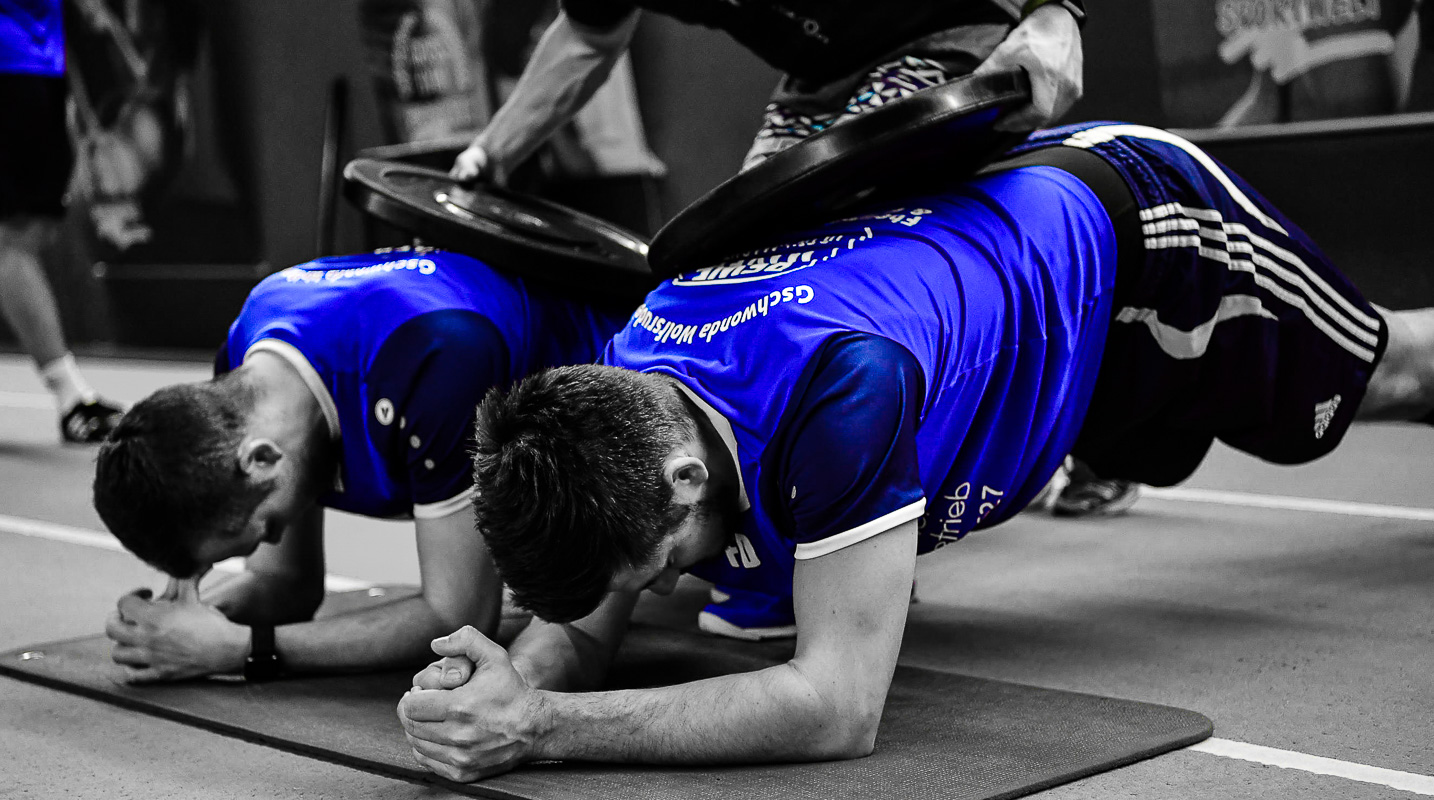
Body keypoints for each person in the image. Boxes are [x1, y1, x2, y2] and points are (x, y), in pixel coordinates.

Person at [395, 121, 1434, 780]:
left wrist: (543, 730)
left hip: (1146, 240)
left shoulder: (844, 390)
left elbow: (836, 707)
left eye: (665, 561)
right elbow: (586, 625)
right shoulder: (623, 398)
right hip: (1007, 303)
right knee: (1153, 452)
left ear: (683, 475)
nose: (674, 581)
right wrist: (502, 684)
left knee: (1388, 376)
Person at [448, 0, 1087, 637]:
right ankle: (805, 543)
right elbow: (589, 35)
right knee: (743, 250)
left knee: (854, 269)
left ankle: (858, 529)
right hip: (817, 78)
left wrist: (1053, 13)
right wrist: (493, 152)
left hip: (946, 26)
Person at [92, 247, 630, 683]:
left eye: (262, 530)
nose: (265, 543)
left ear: (259, 459)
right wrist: (181, 627)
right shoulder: (246, 377)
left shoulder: (434, 359)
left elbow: (458, 615)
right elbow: (288, 585)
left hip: (616, 405)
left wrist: (243, 650)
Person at [2, 0, 125, 443]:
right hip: (13, 62)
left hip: (37, 64)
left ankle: (70, 395)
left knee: (27, 232)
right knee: (12, 237)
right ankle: (71, 395)